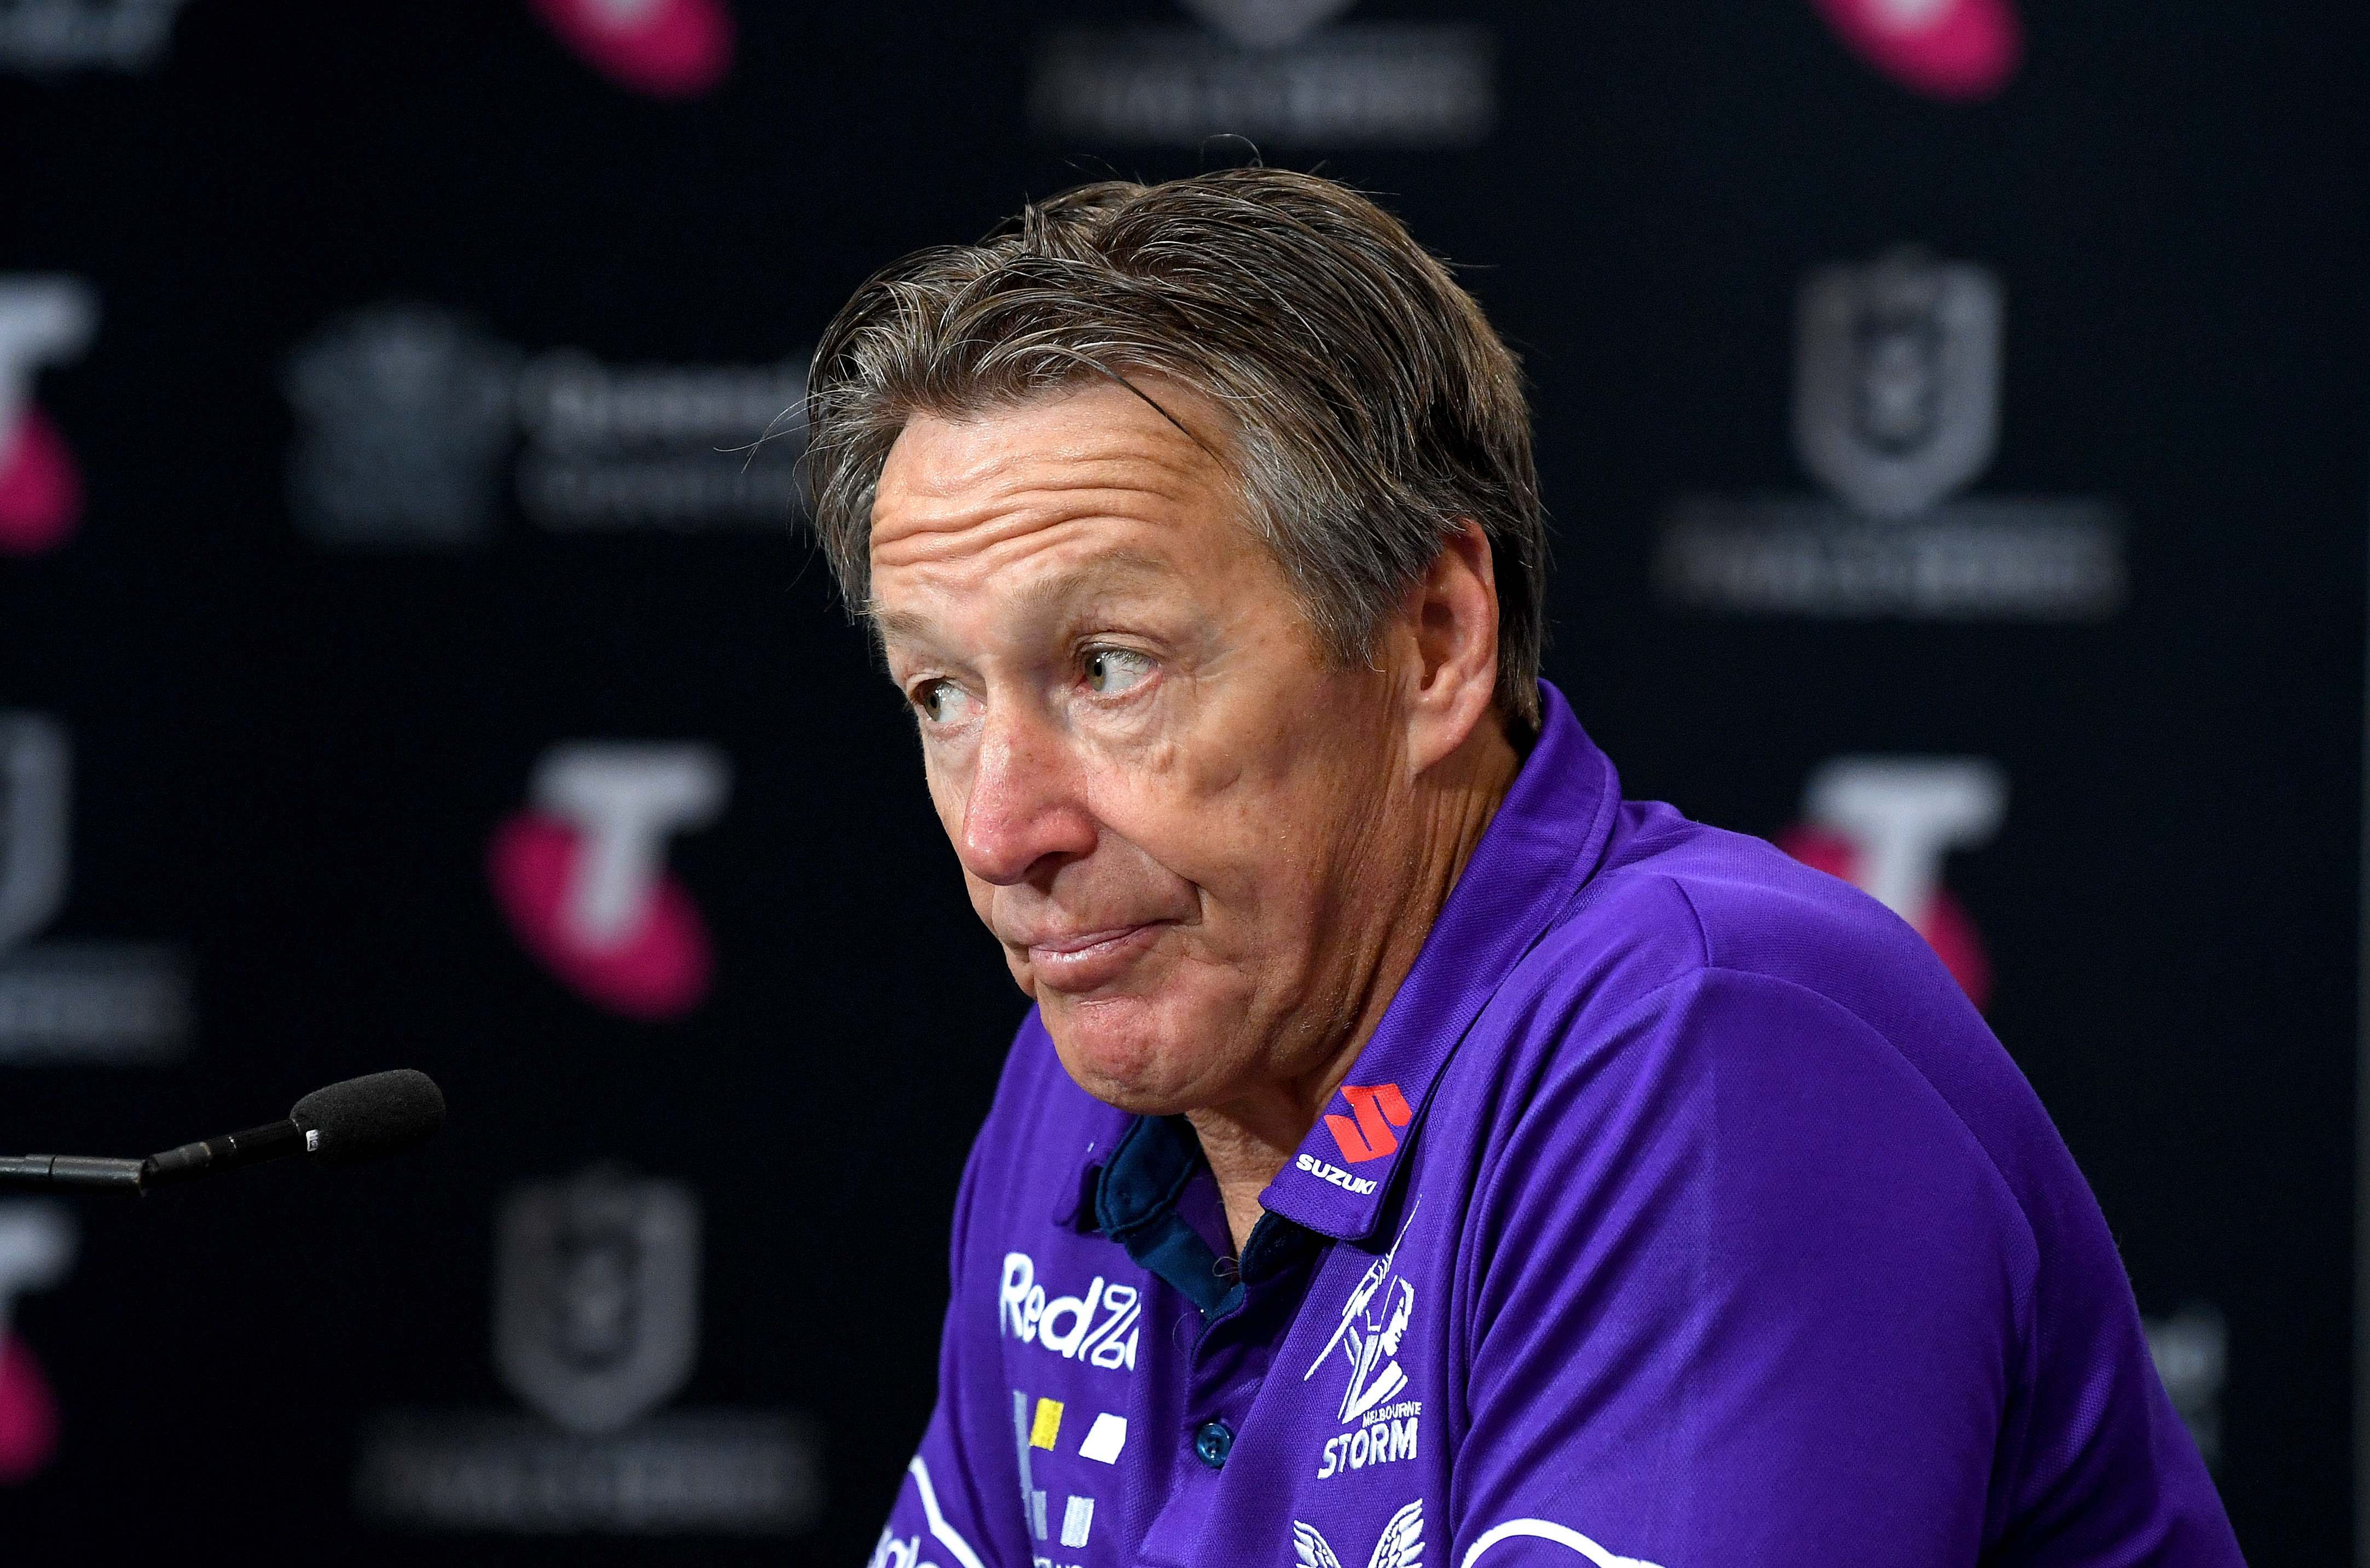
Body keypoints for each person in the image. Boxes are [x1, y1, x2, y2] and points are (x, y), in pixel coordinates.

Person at [803, 169, 2240, 1568]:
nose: (1002, 831)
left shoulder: (1712, 1040)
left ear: (1434, 639)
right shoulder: (1082, 1089)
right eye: (939, 695)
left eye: (1109, 667)